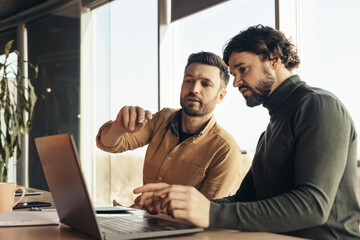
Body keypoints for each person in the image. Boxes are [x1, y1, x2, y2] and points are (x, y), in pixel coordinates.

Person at [134, 25, 360, 240]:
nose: (236, 83)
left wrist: (210, 213)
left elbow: (313, 206)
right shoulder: (269, 132)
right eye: (233, 74)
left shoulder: (318, 105)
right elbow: (244, 200)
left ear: (274, 59)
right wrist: (180, 202)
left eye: (243, 69)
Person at [96, 51, 243, 203]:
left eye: (205, 84)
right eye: (189, 80)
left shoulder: (226, 151)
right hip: (142, 219)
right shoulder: (162, 118)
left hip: (178, 226)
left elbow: (207, 213)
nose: (194, 89)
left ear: (221, 96)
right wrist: (118, 128)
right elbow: (107, 144)